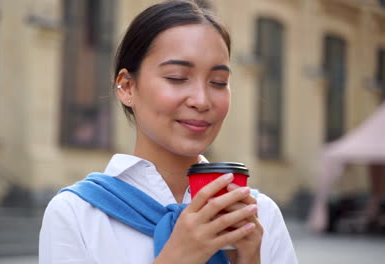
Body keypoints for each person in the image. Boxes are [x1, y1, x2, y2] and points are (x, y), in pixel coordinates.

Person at [39, 1, 298, 263]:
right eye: (176, 77)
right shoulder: (76, 213)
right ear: (127, 87)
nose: (201, 100)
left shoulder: (257, 215)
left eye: (218, 82)